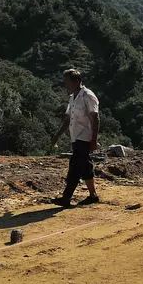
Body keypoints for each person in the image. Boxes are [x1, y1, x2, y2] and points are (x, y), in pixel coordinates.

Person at [50, 68, 101, 207]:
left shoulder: (88, 96)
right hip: (75, 137)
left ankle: (66, 198)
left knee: (75, 166)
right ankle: (93, 195)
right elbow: (68, 119)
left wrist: (94, 140)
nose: (66, 85)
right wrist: (57, 136)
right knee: (85, 166)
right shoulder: (72, 97)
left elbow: (95, 118)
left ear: (77, 81)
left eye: (68, 82)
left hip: (84, 137)